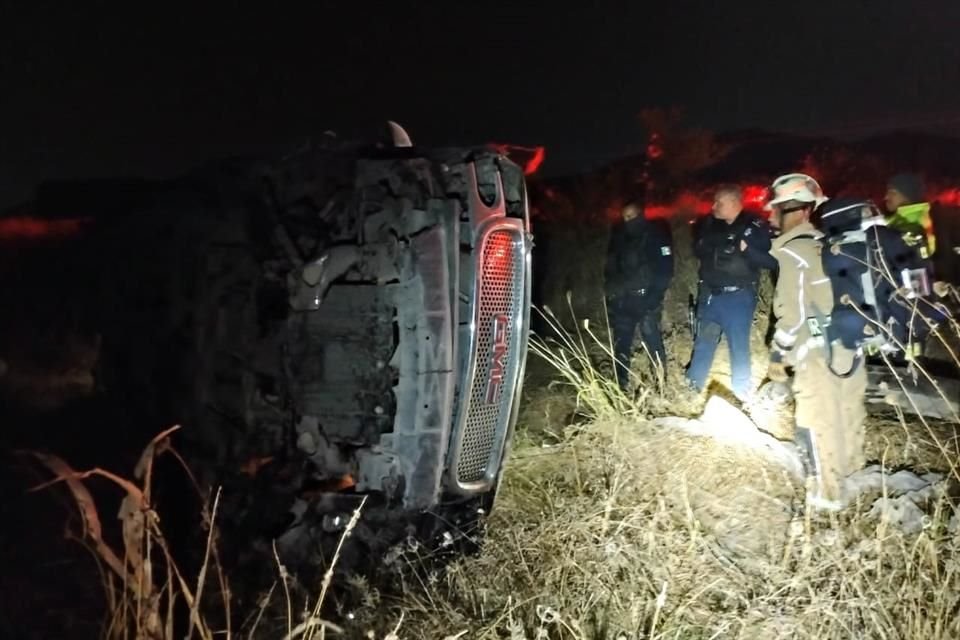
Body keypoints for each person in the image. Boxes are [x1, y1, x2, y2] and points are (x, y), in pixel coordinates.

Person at [765, 173, 866, 511]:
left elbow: (791, 313)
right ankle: (852, 477)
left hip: (817, 351)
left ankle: (828, 496)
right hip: (849, 346)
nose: (769, 216)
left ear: (791, 210)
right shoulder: (828, 244)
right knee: (847, 411)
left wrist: (778, 354)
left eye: (773, 209)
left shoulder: (794, 251)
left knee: (817, 419)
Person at [686, 184, 775, 402]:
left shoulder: (754, 226)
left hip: (738, 297)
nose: (714, 207)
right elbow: (698, 250)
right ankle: (691, 386)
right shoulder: (710, 225)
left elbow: (770, 260)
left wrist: (747, 250)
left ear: (734, 202)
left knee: (738, 344)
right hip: (710, 295)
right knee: (704, 341)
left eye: (719, 202)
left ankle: (742, 391)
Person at [604, 199, 674, 390]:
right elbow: (611, 268)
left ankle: (661, 384)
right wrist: (611, 294)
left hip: (646, 298)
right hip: (624, 300)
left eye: (631, 216)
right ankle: (620, 386)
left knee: (652, 341)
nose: (628, 221)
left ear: (641, 215)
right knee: (621, 345)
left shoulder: (655, 236)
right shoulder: (620, 237)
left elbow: (665, 270)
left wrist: (654, 297)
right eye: (625, 217)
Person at [884, 172, 959, 290]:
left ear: (907, 195)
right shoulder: (900, 220)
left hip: (917, 291)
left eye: (892, 192)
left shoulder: (911, 223)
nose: (886, 197)